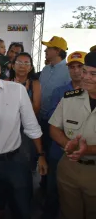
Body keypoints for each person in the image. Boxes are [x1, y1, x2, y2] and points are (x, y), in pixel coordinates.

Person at [0, 50, 47, 219]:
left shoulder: (17, 90)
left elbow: (31, 126)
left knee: (22, 208)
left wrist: (41, 155)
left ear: (1, 69)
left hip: (15, 161)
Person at [48, 51, 96, 219]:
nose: (86, 77)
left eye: (93, 74)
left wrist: (87, 150)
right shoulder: (69, 97)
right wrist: (67, 143)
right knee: (69, 213)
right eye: (85, 72)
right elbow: (54, 127)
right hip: (68, 167)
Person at [41, 51, 86, 219]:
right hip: (58, 151)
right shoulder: (60, 91)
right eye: (72, 67)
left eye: (80, 66)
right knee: (53, 189)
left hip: (86, 153)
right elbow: (53, 121)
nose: (76, 71)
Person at [39, 36, 71, 190]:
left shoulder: (68, 71)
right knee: (42, 153)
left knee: (54, 157)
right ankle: (43, 182)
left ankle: (52, 188)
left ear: (57, 51)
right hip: (41, 119)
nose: (45, 50)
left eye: (49, 48)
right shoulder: (45, 69)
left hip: (58, 124)